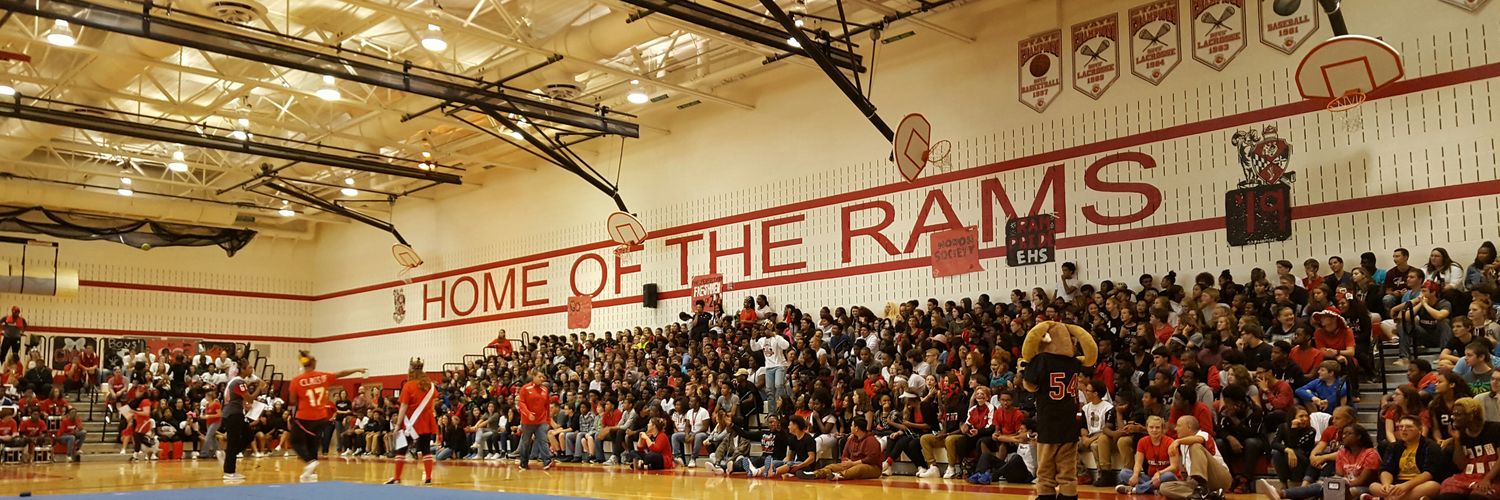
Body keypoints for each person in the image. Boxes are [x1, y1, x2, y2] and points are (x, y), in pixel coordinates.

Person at [286, 350, 367, 483]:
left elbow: (293, 401)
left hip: (304, 417)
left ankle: (309, 462)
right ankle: (311, 473)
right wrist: (357, 369)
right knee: (313, 444)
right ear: (314, 364)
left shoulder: (296, 380)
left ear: (302, 364)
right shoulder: (323, 377)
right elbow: (341, 373)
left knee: (295, 441)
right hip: (320, 418)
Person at [1264, 424, 1379, 500]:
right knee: (1321, 486)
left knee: (1345, 491)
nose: (1344, 436)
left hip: (1365, 487)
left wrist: (1341, 485)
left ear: (1359, 437)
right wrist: (1335, 483)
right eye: (1343, 433)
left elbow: (1362, 480)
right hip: (1346, 484)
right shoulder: (1343, 452)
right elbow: (1339, 475)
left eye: (1348, 434)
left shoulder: (1370, 453)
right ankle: (1281, 494)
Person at [1365, 415, 1444, 500]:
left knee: (1433, 486)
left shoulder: (1431, 446)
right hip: (1396, 484)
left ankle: (1384, 499)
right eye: (1401, 427)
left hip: (1417, 484)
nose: (1403, 430)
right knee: (1373, 486)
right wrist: (1386, 484)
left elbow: (1429, 473)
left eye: (1409, 427)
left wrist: (1405, 486)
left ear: (1420, 430)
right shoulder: (1394, 446)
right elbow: (1386, 469)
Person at [386, 358, 438, 485]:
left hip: (409, 422)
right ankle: (428, 477)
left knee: (401, 449)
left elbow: (403, 406)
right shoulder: (430, 386)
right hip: (426, 420)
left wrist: (397, 425)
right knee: (426, 449)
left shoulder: (408, 385)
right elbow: (432, 404)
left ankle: (397, 477)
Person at [1439, 397, 1500, 496]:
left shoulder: (1495, 429)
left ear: (1471, 416)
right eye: (1453, 414)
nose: (1453, 417)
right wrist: (1457, 440)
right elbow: (1461, 465)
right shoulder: (1461, 434)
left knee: (1479, 494)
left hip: (1494, 477)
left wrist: (1487, 479)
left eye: (1458, 414)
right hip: (1469, 477)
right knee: (1448, 490)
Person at [797, 416, 884, 481]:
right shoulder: (851, 439)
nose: (850, 427)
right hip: (851, 465)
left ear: (856, 428)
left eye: (852, 426)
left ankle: (838, 475)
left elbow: (872, 459)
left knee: (859, 469)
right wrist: (845, 462)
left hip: (873, 468)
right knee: (831, 466)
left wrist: (853, 463)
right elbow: (844, 455)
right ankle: (814, 474)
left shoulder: (871, 440)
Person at [1115, 416, 1177, 495]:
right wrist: (1135, 475)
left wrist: (1159, 473)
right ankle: (1153, 489)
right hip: (1150, 478)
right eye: (1151, 427)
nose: (1154, 430)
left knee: (1169, 475)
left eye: (1157, 427)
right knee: (1124, 473)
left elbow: (1174, 467)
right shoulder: (1142, 441)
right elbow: (1138, 463)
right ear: (1147, 428)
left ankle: (1135, 490)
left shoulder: (1170, 442)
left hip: (1164, 477)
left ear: (1162, 429)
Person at [221, 365, 263, 483]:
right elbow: (250, 399)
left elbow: (241, 392)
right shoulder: (239, 382)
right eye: (249, 367)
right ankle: (229, 472)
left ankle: (228, 455)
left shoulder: (235, 381)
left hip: (234, 413)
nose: (251, 369)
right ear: (242, 369)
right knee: (233, 442)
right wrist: (259, 387)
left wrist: (251, 383)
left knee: (249, 435)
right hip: (234, 414)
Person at [516, 369, 554, 470]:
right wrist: (528, 414)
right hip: (528, 422)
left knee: (543, 440)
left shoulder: (545, 390)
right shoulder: (525, 388)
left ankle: (547, 461)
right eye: (540, 377)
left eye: (543, 377)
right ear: (534, 377)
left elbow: (547, 406)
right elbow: (521, 403)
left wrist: (548, 419)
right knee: (526, 442)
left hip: (541, 421)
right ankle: (523, 463)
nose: (542, 379)